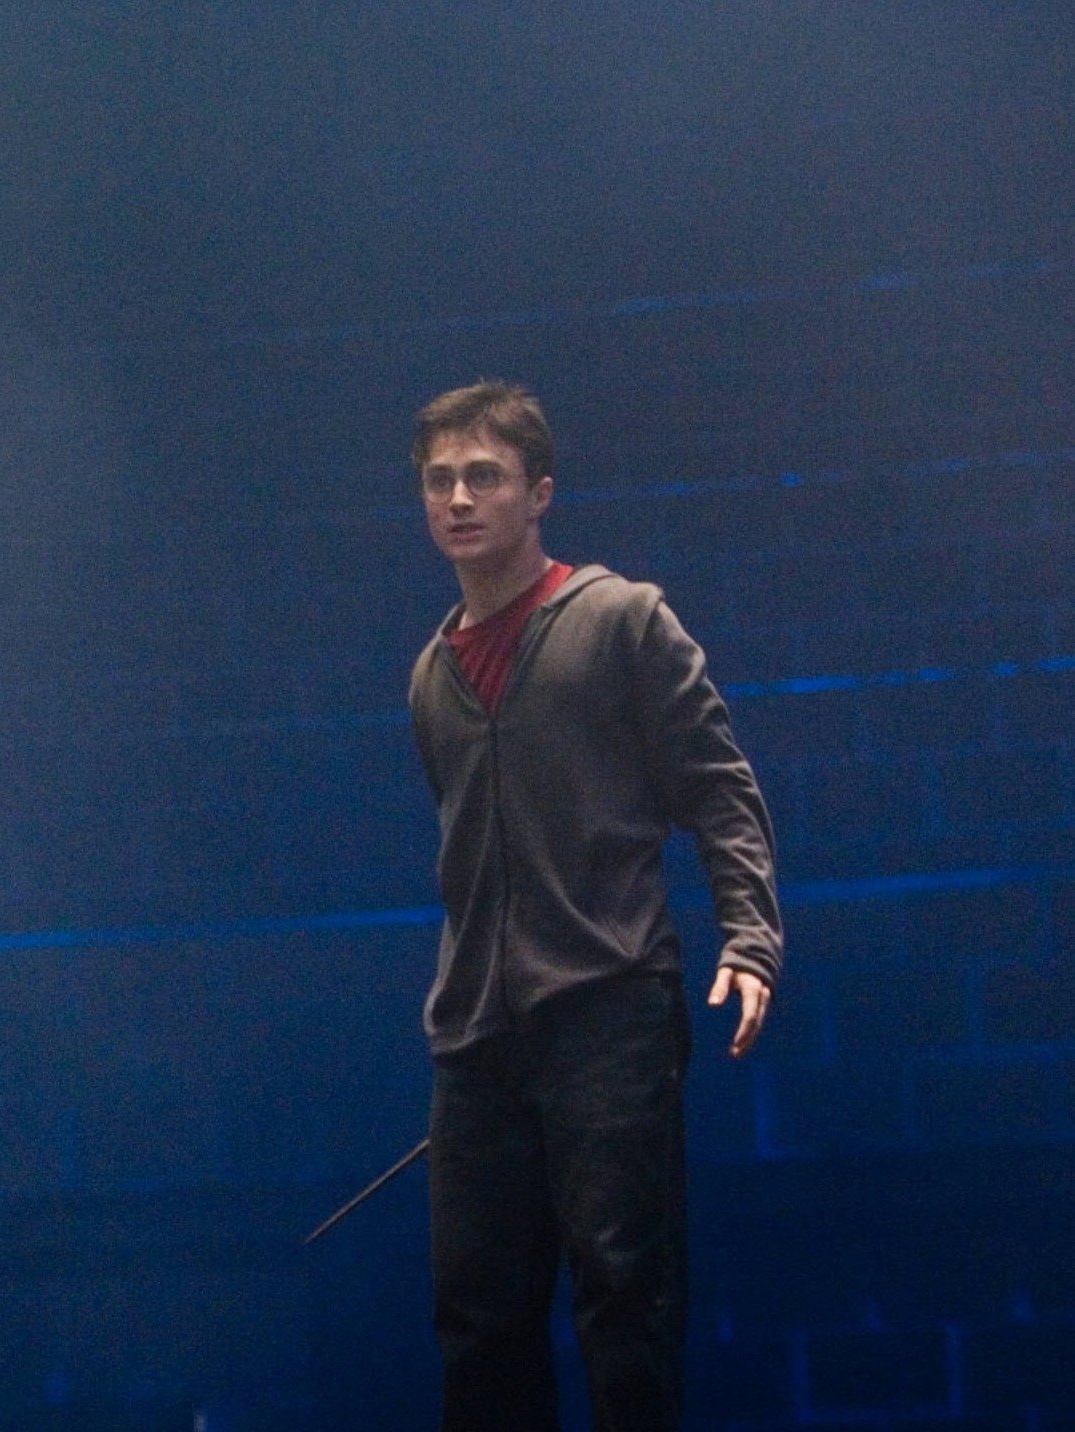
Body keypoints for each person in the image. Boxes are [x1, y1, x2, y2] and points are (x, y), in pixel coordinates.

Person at [406, 382, 781, 1429]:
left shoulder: (620, 620)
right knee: (477, 1321)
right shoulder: (430, 675)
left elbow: (717, 787)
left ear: (539, 493)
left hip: (607, 1005)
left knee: (624, 1298)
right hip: (477, 1037)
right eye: (439, 480)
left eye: (483, 476)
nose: (458, 498)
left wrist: (750, 937)